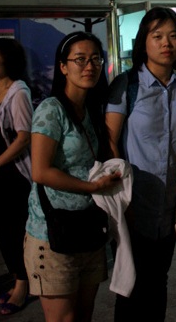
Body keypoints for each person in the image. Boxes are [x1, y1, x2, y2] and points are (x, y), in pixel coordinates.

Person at [23, 31, 122, 322]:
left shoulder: (91, 109)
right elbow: (40, 171)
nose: (89, 66)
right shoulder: (51, 110)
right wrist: (92, 186)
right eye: (80, 59)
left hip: (87, 228)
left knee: (84, 315)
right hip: (53, 233)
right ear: (63, 67)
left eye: (95, 59)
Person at [105, 6, 176, 322]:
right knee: (131, 286)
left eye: (173, 36)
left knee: (158, 281)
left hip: (168, 206)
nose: (166, 43)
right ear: (144, 41)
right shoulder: (126, 85)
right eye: (157, 36)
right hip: (134, 207)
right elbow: (110, 142)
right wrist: (120, 198)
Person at [0, 37, 33, 315]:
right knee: (1, 232)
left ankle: (23, 285)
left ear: (7, 60)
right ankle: (16, 278)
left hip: (12, 175)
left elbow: (24, 137)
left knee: (15, 231)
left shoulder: (18, 92)